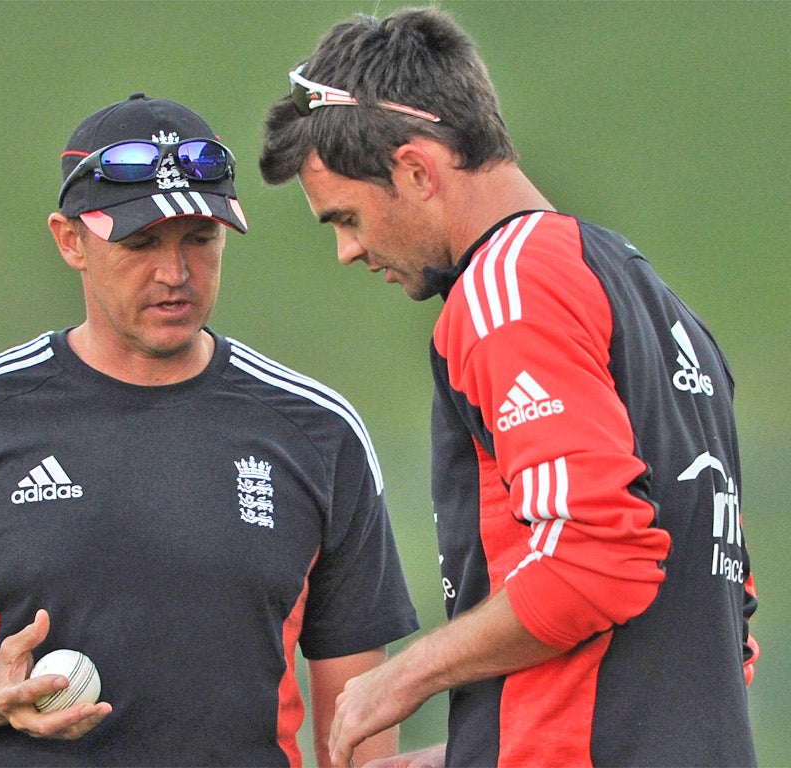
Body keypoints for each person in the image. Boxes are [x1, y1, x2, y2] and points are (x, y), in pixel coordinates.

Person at [0, 93, 420, 768]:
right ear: (70, 240)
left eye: (201, 239)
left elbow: (358, 726)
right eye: (140, 243)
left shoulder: (318, 432)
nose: (175, 273)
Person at [259, 7, 759, 768]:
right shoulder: (655, 302)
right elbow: (724, 623)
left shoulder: (510, 286)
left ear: (417, 170)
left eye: (348, 217)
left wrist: (403, 678)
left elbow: (597, 560)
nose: (348, 251)